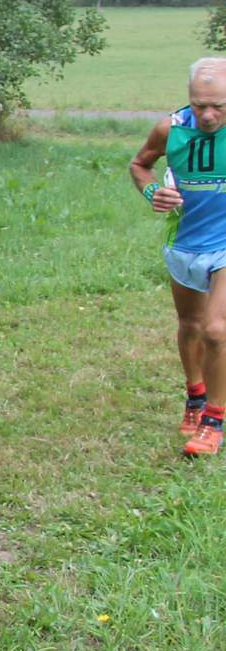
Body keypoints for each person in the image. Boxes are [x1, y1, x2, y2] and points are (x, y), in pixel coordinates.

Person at [128, 57, 226, 457]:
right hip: (184, 241)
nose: (208, 115)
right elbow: (140, 165)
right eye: (200, 105)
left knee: (216, 330)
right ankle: (196, 395)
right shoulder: (170, 129)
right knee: (190, 325)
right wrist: (154, 193)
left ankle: (213, 421)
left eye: (218, 106)